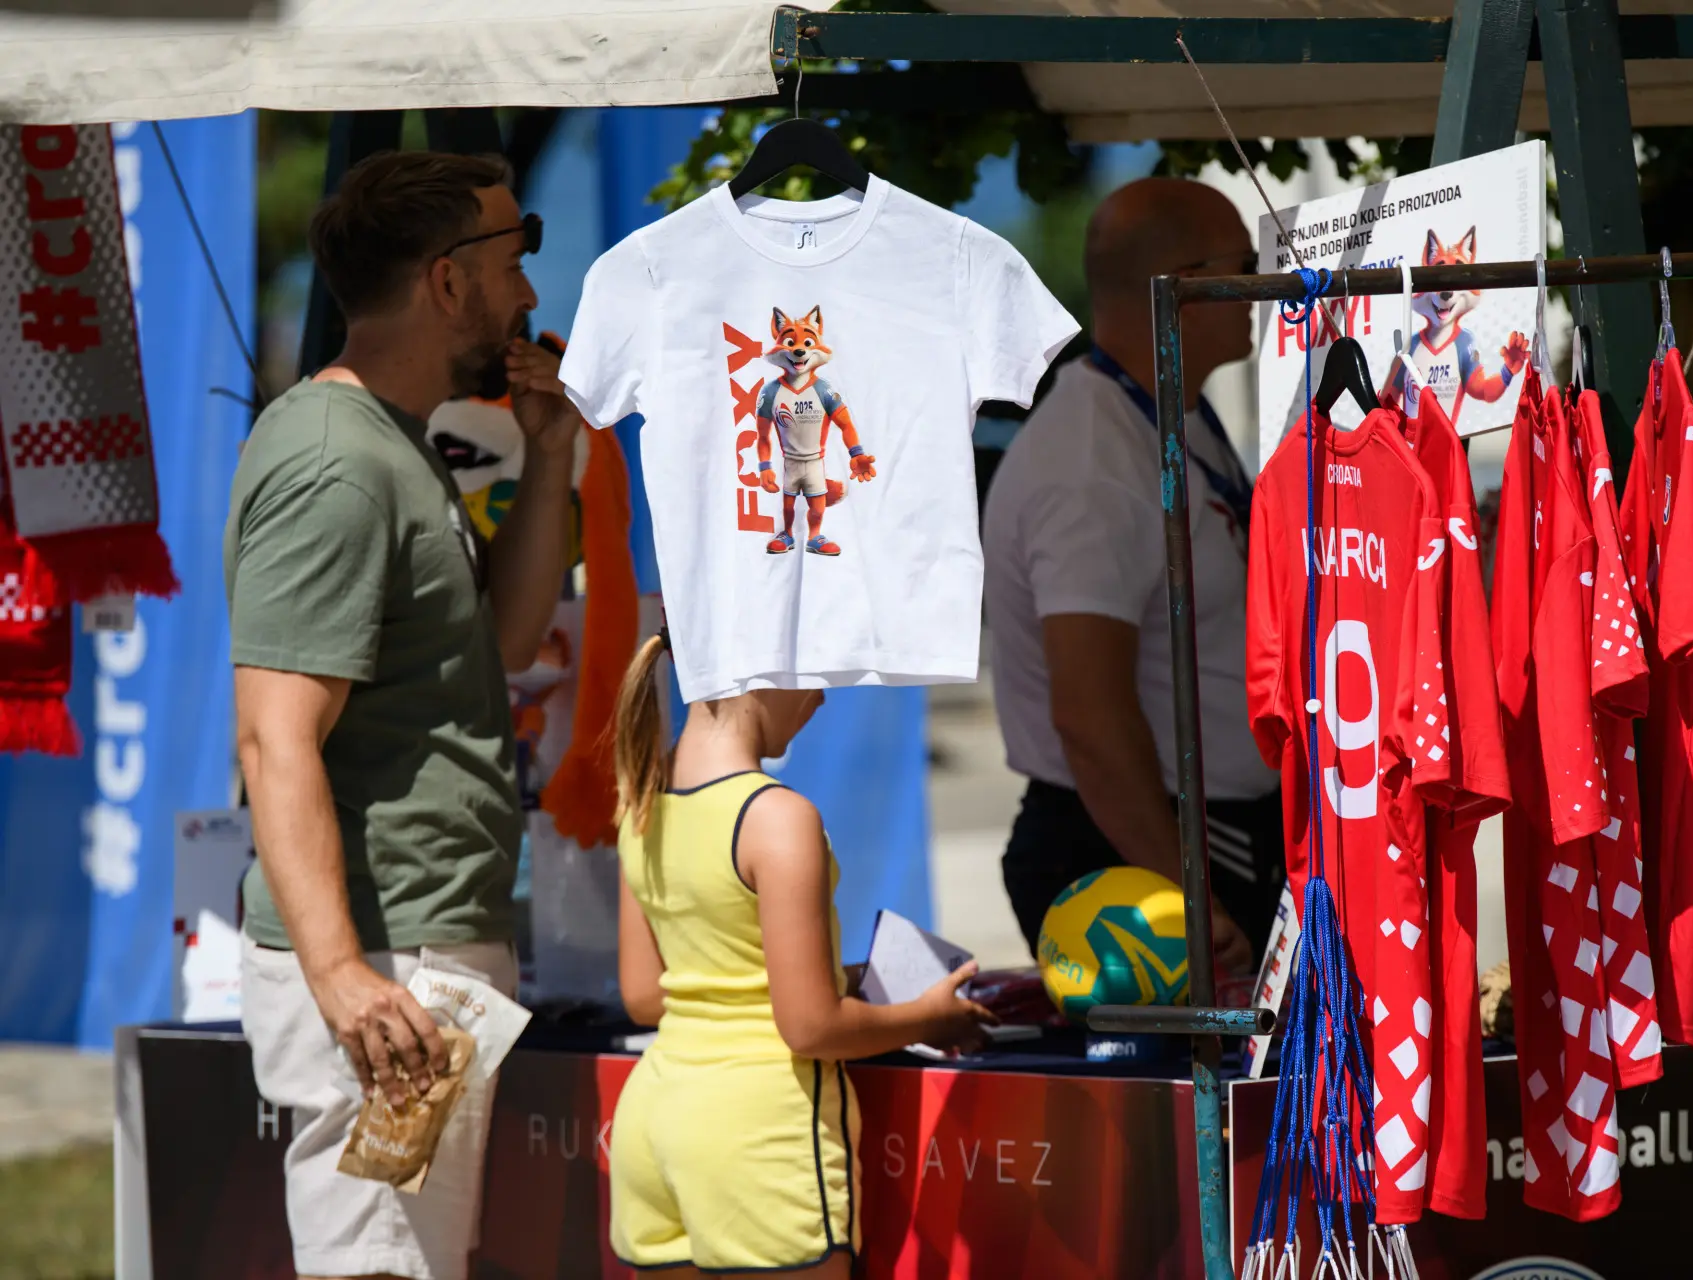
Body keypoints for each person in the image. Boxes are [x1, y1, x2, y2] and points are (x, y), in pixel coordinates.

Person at [225, 151, 578, 1280]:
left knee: (399, 1258)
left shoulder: (389, 440)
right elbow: (274, 734)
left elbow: (507, 643)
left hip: (413, 949)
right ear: (447, 281)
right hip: (389, 961)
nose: (529, 293)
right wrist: (341, 974)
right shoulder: (338, 461)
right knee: (382, 1265)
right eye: (513, 263)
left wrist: (552, 454)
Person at [608, 631, 997, 1276]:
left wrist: (822, 975)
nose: (821, 695)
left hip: (652, 1121)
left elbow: (648, 996)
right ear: (759, 665)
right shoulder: (776, 817)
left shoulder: (642, 800)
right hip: (760, 1135)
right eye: (812, 668)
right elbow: (811, 1026)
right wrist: (932, 1018)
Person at [984, 177, 1283, 973]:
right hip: (1142, 848)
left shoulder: (1165, 411)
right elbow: (1089, 714)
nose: (1262, 287)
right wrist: (1188, 894)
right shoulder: (1093, 460)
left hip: (1205, 835)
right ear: (1183, 285)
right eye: (1246, 265)